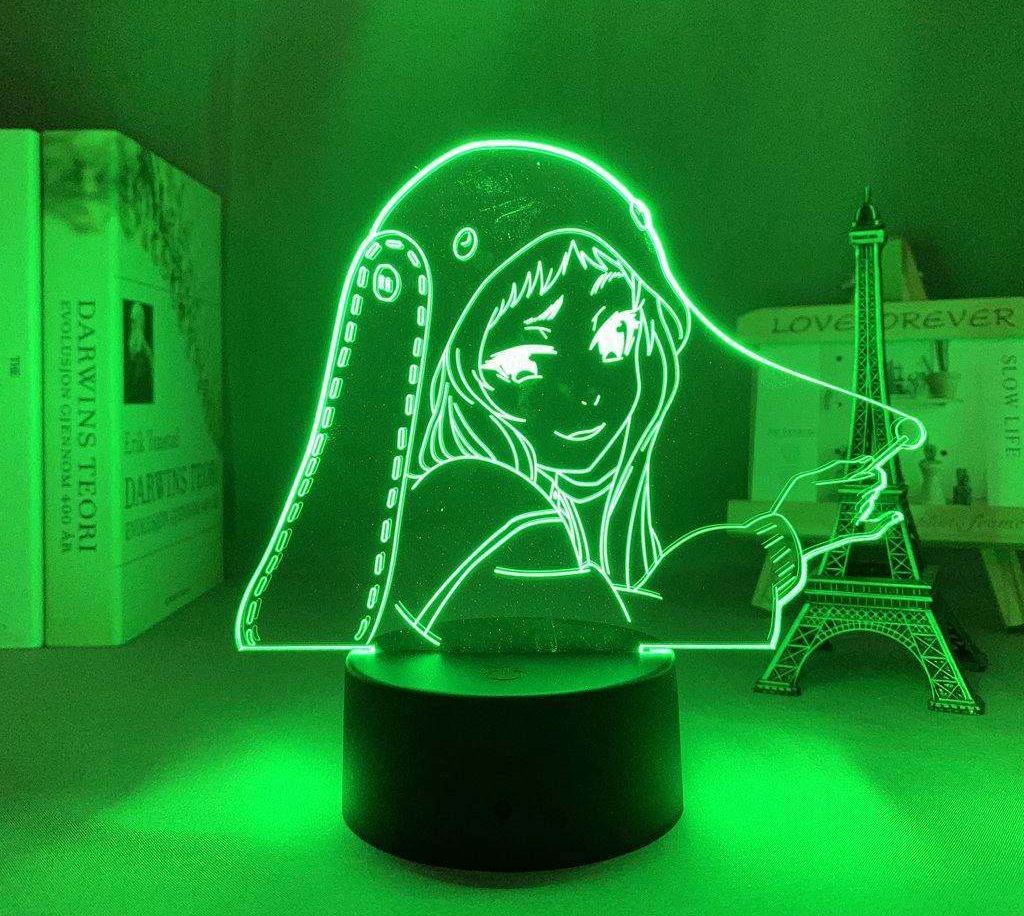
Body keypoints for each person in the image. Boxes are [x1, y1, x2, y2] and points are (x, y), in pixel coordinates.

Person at [236, 141, 919, 654]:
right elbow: (600, 623)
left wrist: (776, 528)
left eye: (618, 334)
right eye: (524, 360)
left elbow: (614, 605)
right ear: (448, 374)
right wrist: (756, 547)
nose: (588, 392)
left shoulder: (561, 515)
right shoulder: (471, 494)